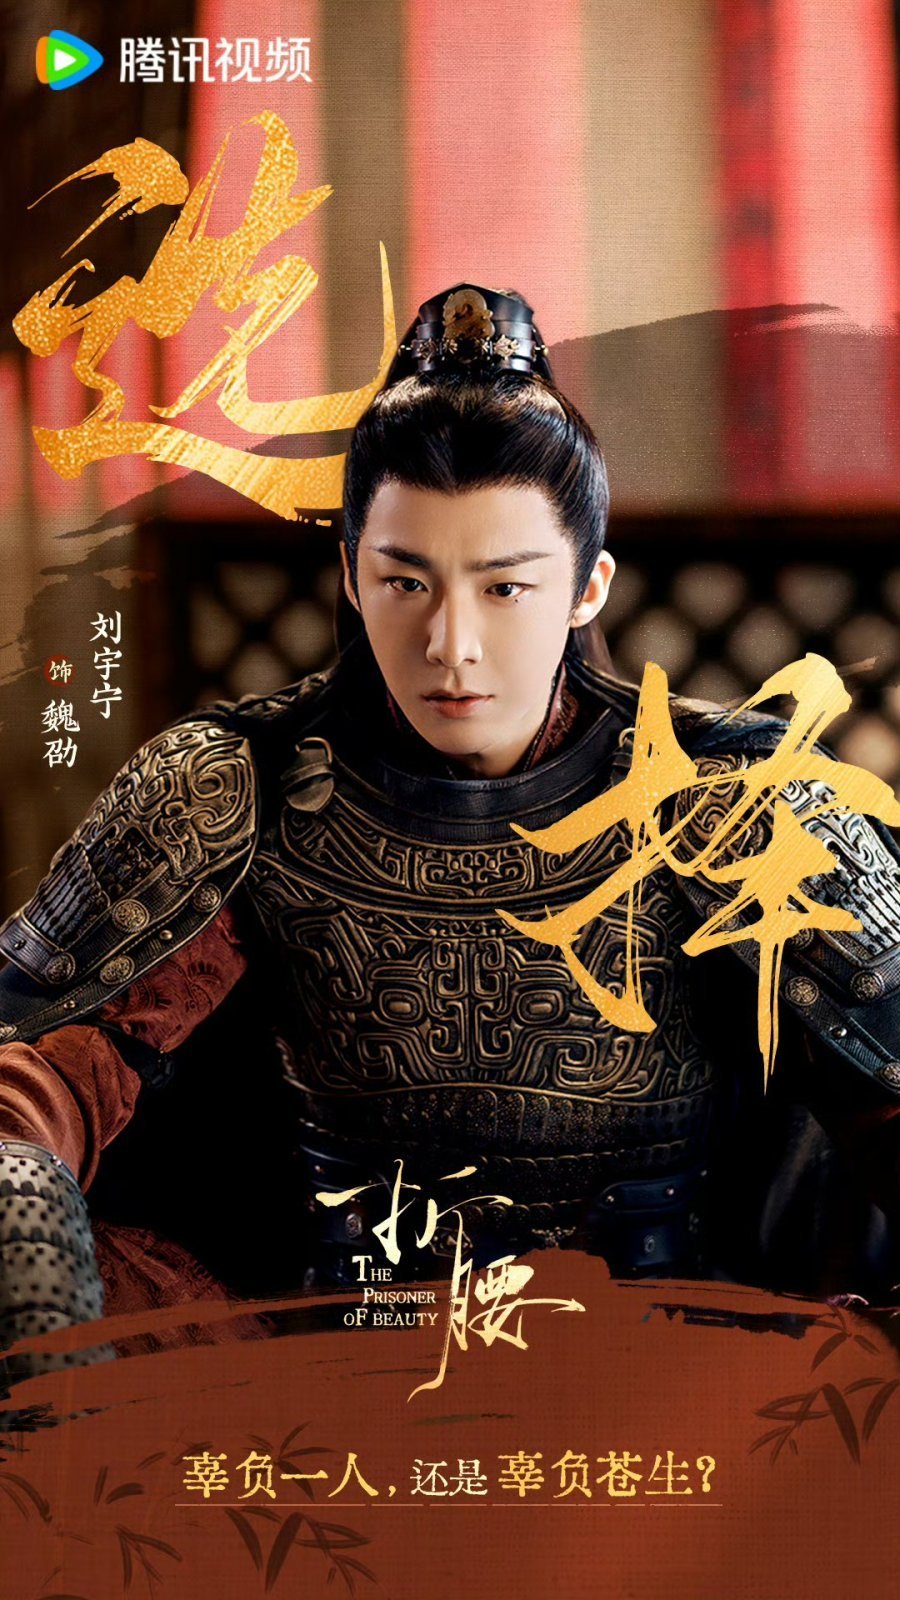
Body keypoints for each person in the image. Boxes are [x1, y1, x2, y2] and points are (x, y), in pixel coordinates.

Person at [0, 284, 898, 1373]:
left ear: (587, 586)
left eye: (504, 589)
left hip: (679, 1388)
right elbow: (47, 1077)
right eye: (405, 582)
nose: (451, 644)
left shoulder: (732, 800)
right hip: (328, 1376)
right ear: (350, 573)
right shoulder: (233, 790)